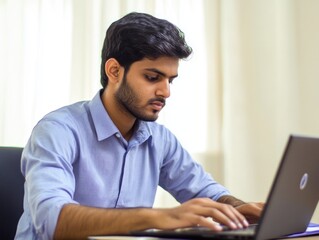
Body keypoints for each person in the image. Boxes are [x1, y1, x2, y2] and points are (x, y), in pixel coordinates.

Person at [15, 12, 263, 240]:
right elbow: (52, 220)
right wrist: (159, 218)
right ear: (114, 71)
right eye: (152, 78)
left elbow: (205, 191)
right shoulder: (57, 131)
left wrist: (239, 208)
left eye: (170, 81)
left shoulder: (160, 139)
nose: (165, 92)